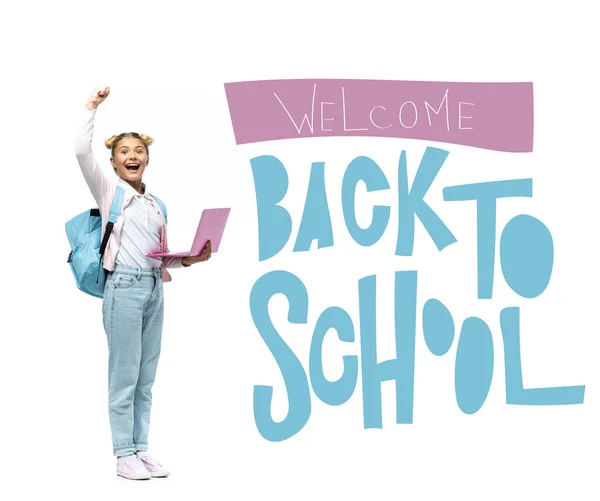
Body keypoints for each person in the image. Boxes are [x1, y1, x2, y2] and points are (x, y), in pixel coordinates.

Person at [75, 85, 210, 480]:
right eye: (124, 152)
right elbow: (82, 153)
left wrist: (191, 258)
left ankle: (141, 449)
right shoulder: (110, 192)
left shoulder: (156, 204)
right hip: (124, 290)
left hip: (154, 288)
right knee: (124, 374)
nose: (132, 156)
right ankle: (122, 454)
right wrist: (91, 107)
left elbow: (159, 256)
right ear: (114, 162)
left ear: (147, 159)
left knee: (146, 376)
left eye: (139, 151)